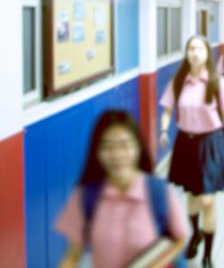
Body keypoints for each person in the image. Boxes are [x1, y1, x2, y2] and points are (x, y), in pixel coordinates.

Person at [55, 110, 188, 268]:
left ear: (138, 147)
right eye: (107, 146)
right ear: (96, 151)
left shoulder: (159, 192)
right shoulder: (86, 197)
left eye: (124, 145)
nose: (116, 154)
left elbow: (180, 238)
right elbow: (72, 257)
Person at [158, 35, 224, 268]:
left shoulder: (216, 81)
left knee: (208, 200)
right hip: (186, 142)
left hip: (211, 142)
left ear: (207, 53)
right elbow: (166, 110)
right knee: (192, 196)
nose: (194, 53)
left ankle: (208, 254)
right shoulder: (178, 81)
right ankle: (195, 234)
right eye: (191, 48)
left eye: (199, 48)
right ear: (186, 53)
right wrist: (164, 131)